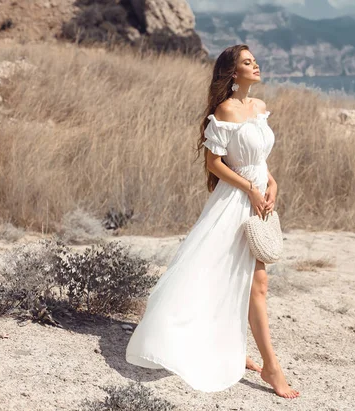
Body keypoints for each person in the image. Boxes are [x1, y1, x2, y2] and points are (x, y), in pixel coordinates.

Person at [125, 44, 300, 399]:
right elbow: (214, 164)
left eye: (254, 60)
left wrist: (272, 182)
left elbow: (258, 157)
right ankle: (272, 368)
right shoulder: (225, 110)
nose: (256, 65)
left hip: (258, 198)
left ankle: (239, 351)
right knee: (249, 283)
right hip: (234, 203)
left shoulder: (260, 108)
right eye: (248, 62)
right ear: (233, 73)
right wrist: (251, 187)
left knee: (249, 283)